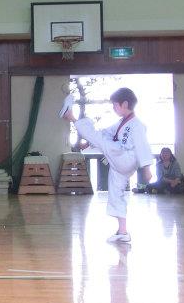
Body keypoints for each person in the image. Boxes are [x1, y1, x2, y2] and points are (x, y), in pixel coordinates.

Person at [63, 87, 154, 244]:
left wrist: (147, 169)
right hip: (120, 163)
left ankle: (71, 116)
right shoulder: (122, 122)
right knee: (116, 193)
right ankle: (123, 232)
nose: (113, 108)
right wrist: (89, 144)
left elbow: (142, 146)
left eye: (115, 105)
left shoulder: (137, 125)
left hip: (124, 157)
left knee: (100, 139)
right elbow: (106, 133)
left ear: (124, 104)